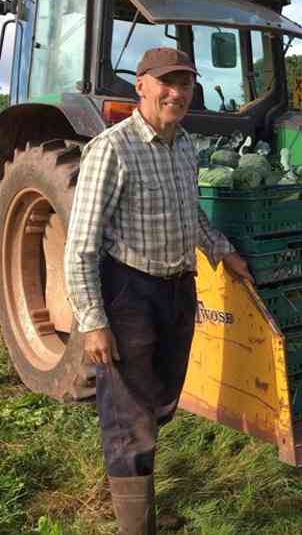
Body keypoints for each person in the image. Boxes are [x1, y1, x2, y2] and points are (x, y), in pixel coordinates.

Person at [64, 47, 252, 534]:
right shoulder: (113, 148)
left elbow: (191, 215)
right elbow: (81, 244)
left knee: (161, 398)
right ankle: (136, 527)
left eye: (185, 83)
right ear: (141, 86)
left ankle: (141, 507)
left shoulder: (185, 146)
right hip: (129, 292)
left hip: (178, 288)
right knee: (130, 416)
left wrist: (221, 249)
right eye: (167, 82)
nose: (177, 92)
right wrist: (94, 321)